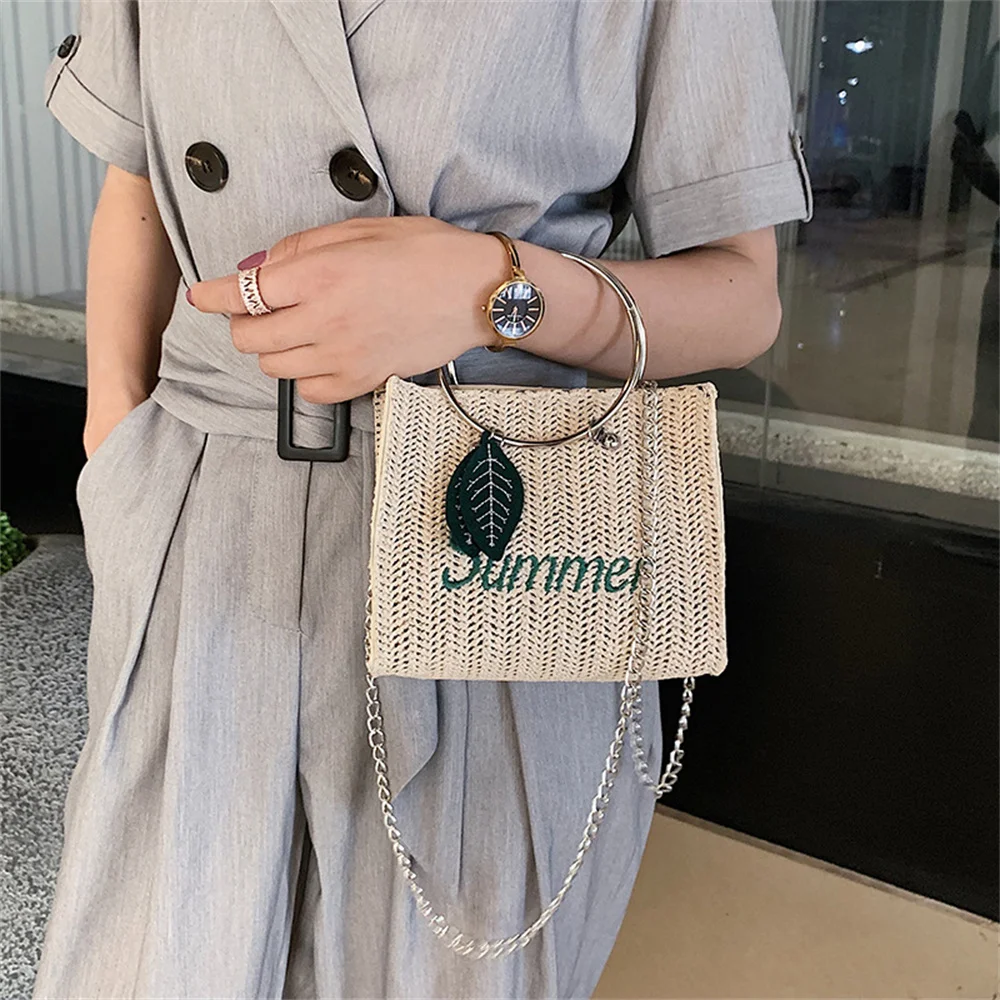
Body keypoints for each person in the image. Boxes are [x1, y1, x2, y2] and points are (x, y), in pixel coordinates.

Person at [32, 1, 812, 997]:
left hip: (487, 537)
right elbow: (136, 177)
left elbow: (742, 299)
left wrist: (490, 292)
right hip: (206, 524)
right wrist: (115, 450)